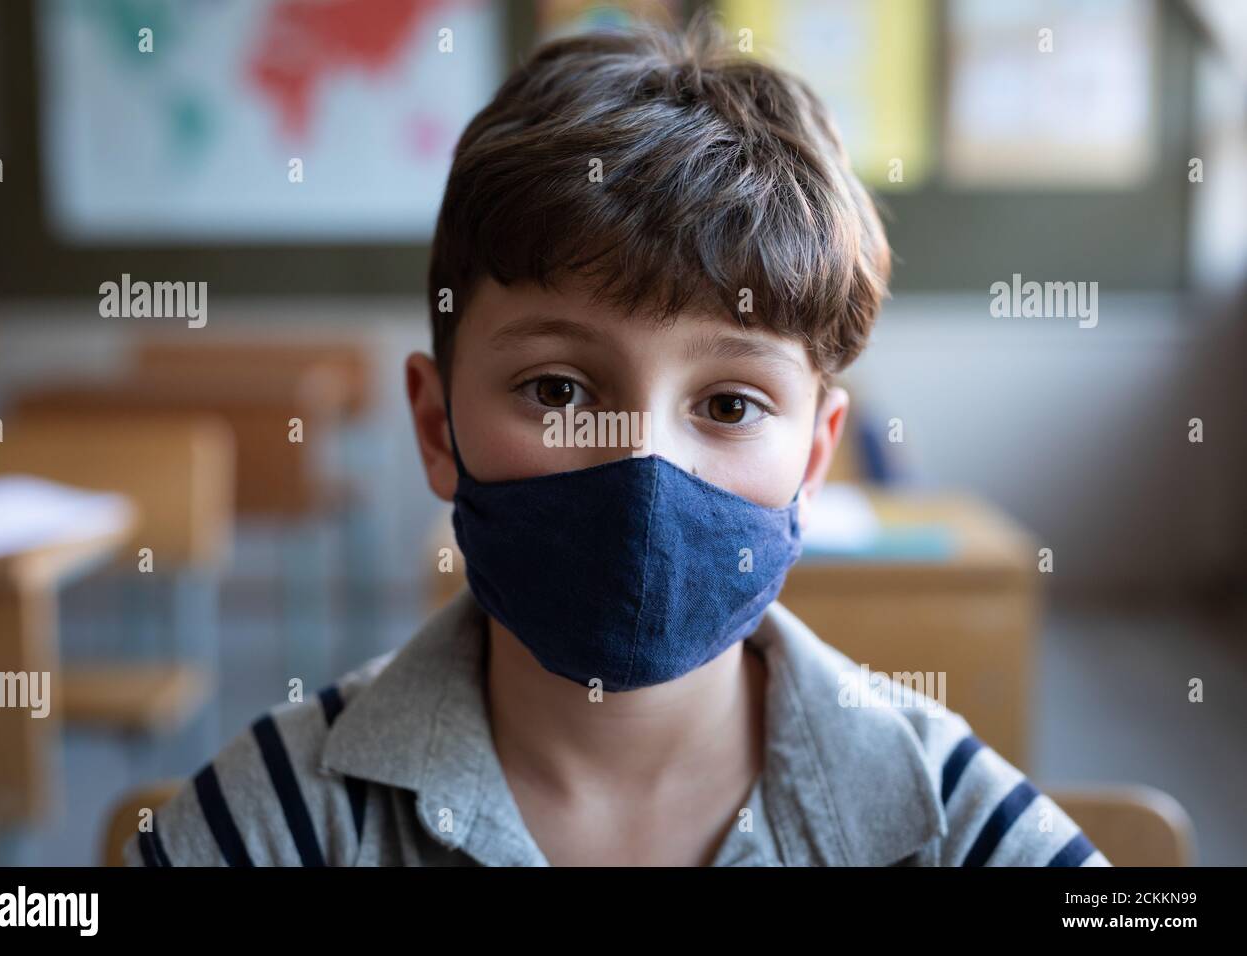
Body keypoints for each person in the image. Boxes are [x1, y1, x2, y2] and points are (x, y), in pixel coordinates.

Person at [127, 13, 1108, 868]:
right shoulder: (275, 817)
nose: (643, 466)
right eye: (557, 388)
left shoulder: (942, 808)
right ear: (437, 424)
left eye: (728, 404)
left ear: (813, 456)